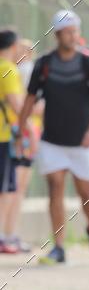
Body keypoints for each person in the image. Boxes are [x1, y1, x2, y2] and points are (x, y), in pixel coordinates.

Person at [16, 10, 89, 263]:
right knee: (55, 188)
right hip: (52, 140)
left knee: (85, 192)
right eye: (68, 32)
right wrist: (20, 128)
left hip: (82, 142)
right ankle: (59, 246)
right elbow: (30, 99)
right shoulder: (44, 64)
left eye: (76, 30)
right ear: (57, 35)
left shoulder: (87, 63)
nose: (73, 36)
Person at [2, 39, 42, 253]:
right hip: (21, 133)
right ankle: (7, 236)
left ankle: (10, 234)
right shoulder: (20, 71)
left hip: (25, 132)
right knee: (13, 188)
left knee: (17, 188)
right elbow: (23, 105)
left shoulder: (17, 71)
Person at [0, 29, 25, 254]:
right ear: (13, 46)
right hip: (3, 135)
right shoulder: (7, 69)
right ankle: (2, 237)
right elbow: (17, 106)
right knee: (5, 189)